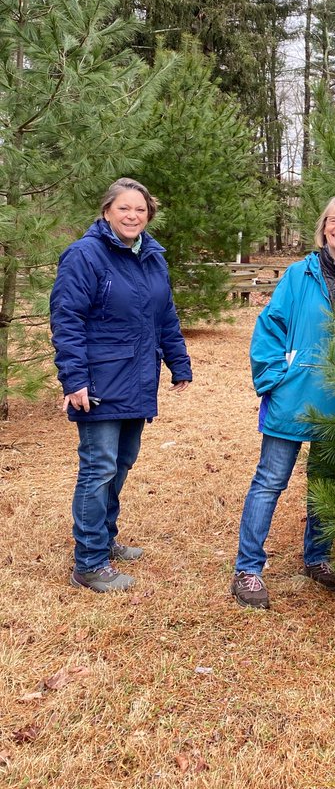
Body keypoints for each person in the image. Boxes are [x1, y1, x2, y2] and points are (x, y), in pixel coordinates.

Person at [231, 195, 335, 609]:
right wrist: (275, 378)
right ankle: (248, 569)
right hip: (293, 396)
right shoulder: (299, 276)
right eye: (334, 219)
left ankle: (316, 558)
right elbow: (269, 328)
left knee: (326, 483)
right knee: (270, 481)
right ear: (323, 227)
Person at [50, 178, 192, 593]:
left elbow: (164, 314)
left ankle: (104, 539)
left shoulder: (151, 257)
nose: (133, 216)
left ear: (149, 215)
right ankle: (88, 563)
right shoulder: (84, 255)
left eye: (140, 210)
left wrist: (178, 362)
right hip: (98, 382)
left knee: (121, 463)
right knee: (98, 468)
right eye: (124, 209)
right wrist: (74, 378)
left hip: (137, 380)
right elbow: (67, 320)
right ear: (107, 211)